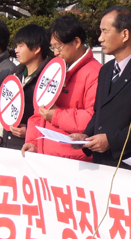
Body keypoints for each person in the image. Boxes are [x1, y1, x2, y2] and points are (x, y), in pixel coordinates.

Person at [70, 6, 131, 169]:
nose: (100, 38)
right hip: (101, 163)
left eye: (105, 31)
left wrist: (112, 141)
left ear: (124, 34)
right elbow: (99, 112)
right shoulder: (106, 69)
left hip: (130, 165)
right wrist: (86, 136)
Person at [21, 15, 101, 161]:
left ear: (76, 42)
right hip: (47, 156)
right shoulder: (54, 70)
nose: (56, 52)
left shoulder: (95, 73)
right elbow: (39, 110)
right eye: (53, 47)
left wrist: (56, 115)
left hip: (75, 162)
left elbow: (93, 118)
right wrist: (33, 142)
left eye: (58, 46)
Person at [0, 24, 51, 151]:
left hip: (31, 150)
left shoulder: (49, 78)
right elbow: (6, 110)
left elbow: (52, 119)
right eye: (16, 46)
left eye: (21, 46)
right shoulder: (14, 74)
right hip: (7, 145)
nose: (16, 50)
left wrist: (30, 132)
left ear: (37, 48)